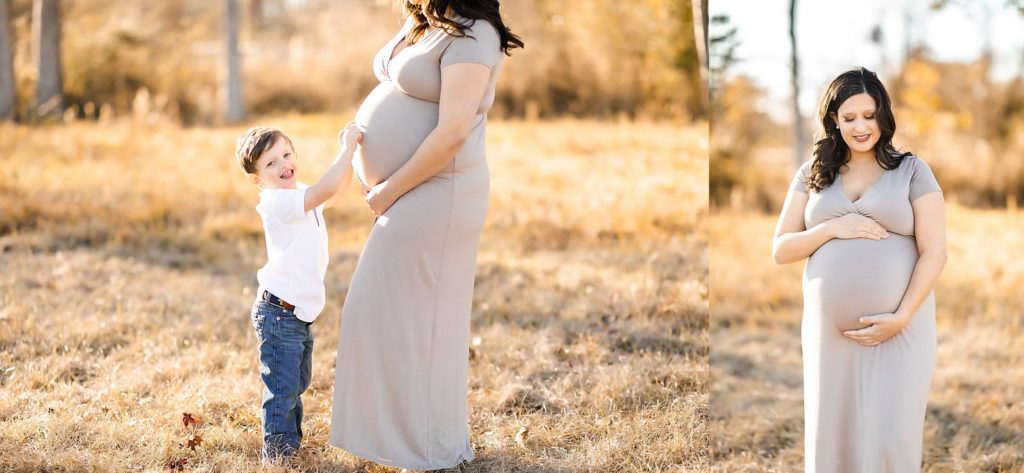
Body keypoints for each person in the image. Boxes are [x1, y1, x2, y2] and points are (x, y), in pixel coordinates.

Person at [328, 0, 523, 470]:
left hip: (441, 190)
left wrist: (387, 190)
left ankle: (430, 449)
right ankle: (402, 442)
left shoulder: (474, 33)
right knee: (387, 316)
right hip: (409, 190)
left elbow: (454, 132)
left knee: (419, 323)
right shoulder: (426, 23)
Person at [772, 66, 947, 472]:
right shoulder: (812, 173)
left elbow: (935, 252)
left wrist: (900, 318)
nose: (860, 126)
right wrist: (832, 228)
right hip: (828, 337)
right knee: (834, 438)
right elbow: (780, 250)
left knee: (890, 438)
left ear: (883, 115)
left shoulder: (912, 171)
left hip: (900, 329)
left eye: (868, 115)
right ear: (833, 120)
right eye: (849, 118)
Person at [236, 124, 362, 462]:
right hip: (279, 312)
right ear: (257, 178)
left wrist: (351, 159)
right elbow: (326, 189)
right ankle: (278, 455)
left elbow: (335, 192)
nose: (283, 165)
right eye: (270, 164)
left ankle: (290, 443)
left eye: (287, 155)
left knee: (297, 381)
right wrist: (347, 148)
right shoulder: (278, 202)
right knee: (282, 389)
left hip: (296, 313)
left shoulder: (299, 193)